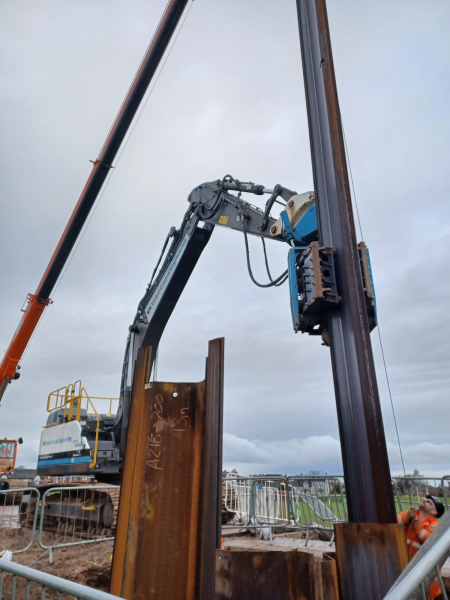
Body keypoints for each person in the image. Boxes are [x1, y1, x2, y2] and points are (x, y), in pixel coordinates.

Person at [397, 495, 445, 599]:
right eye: (426, 499)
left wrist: (419, 530)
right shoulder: (409, 515)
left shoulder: (434, 526)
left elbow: (432, 544)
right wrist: (406, 518)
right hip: (406, 571)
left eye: (429, 502)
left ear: (434, 512)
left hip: (427, 583)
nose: (425, 501)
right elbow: (394, 524)